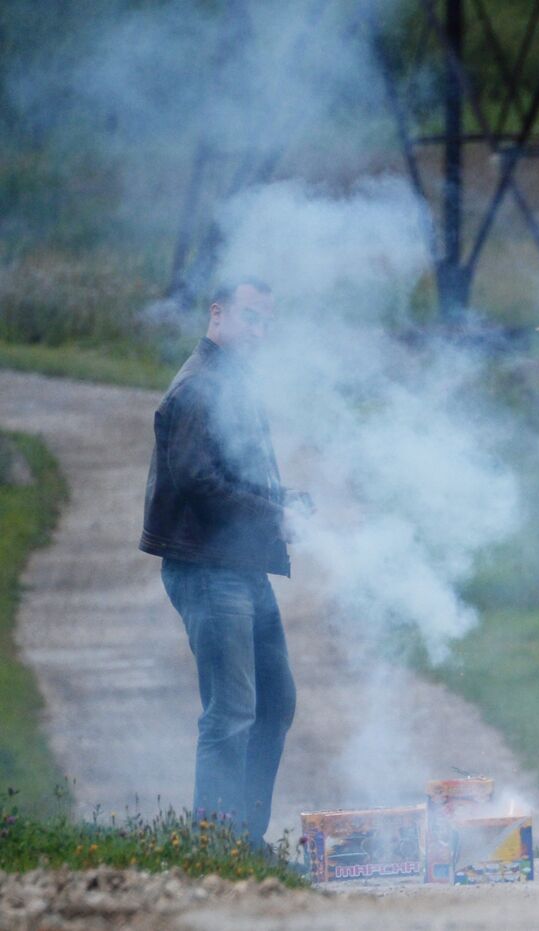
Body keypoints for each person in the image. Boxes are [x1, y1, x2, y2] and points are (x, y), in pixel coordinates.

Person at [140, 278, 307, 844]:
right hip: (208, 572)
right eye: (252, 319)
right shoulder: (195, 390)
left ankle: (246, 845)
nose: (262, 333)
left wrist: (285, 503)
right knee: (231, 713)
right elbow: (197, 483)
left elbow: (236, 476)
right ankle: (215, 849)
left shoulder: (232, 383)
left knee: (275, 704)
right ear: (218, 315)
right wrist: (273, 517)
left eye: (269, 323)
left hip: (240, 568)